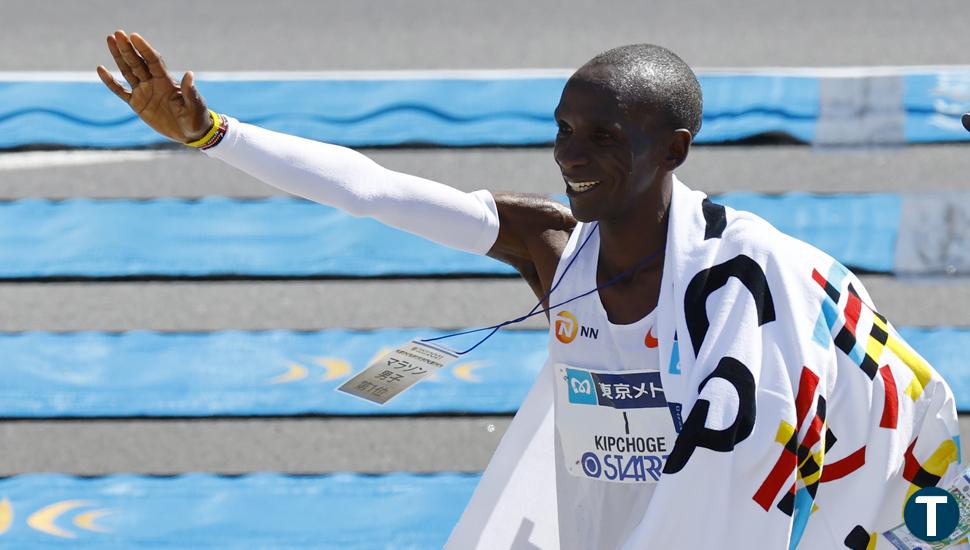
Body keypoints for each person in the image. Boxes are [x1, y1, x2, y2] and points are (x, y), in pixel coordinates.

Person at [98, 30, 962, 549]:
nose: (570, 155)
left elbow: (755, 450)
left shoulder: (744, 284)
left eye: (602, 134)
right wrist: (211, 133)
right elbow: (369, 188)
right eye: (561, 130)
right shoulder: (552, 250)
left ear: (674, 149)